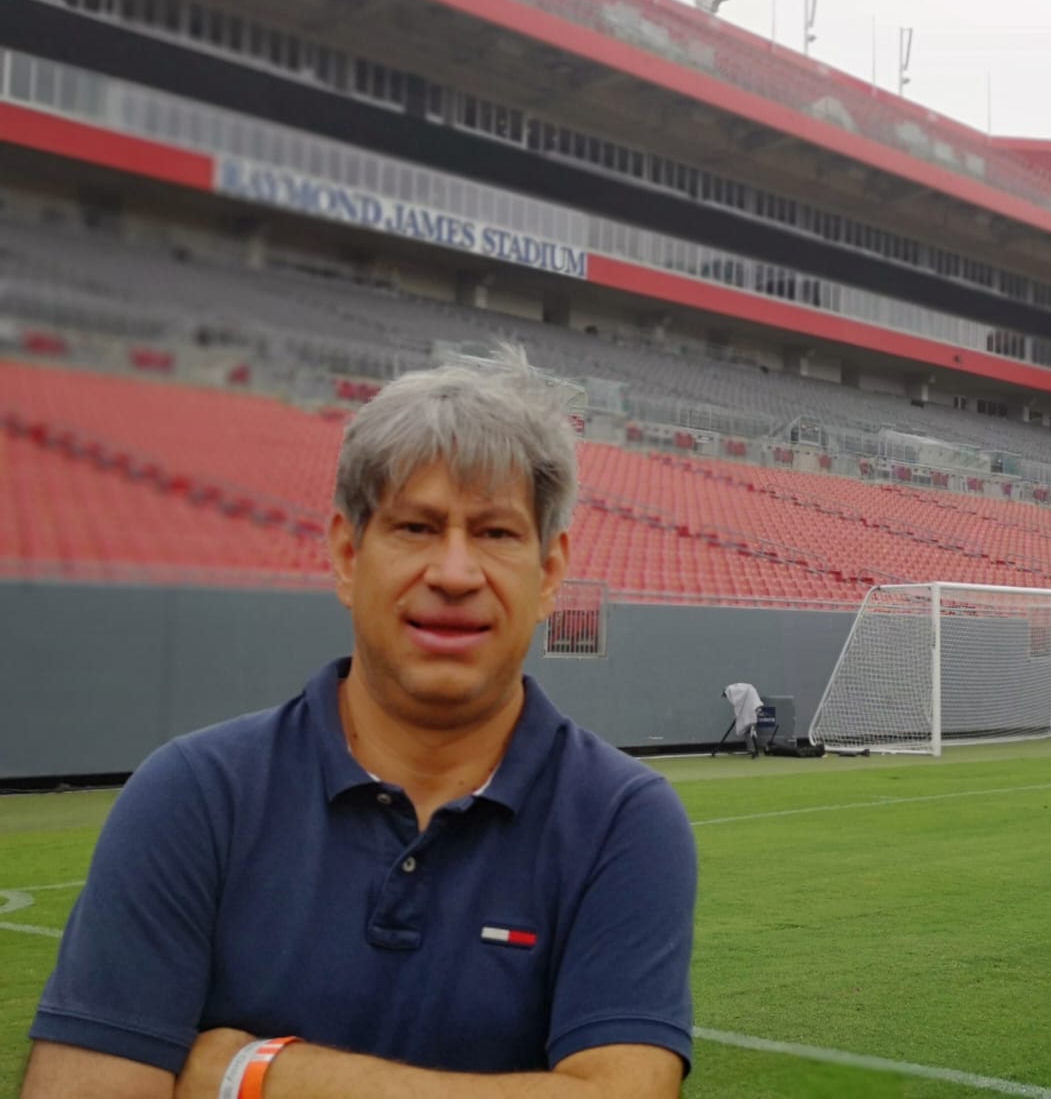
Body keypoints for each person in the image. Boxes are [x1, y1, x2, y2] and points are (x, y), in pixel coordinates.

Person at [23, 347, 696, 1099]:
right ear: (347, 554)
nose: (454, 572)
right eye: (415, 527)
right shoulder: (195, 795)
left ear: (549, 573)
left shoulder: (623, 819)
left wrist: (259, 1075)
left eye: (496, 533)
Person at [724, 681, 763, 758]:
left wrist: (738, 715)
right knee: (748, 731)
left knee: (751, 731)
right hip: (751, 714)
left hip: (752, 716)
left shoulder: (737, 690)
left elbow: (739, 705)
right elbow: (739, 705)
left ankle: (754, 751)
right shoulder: (743, 691)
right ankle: (752, 750)